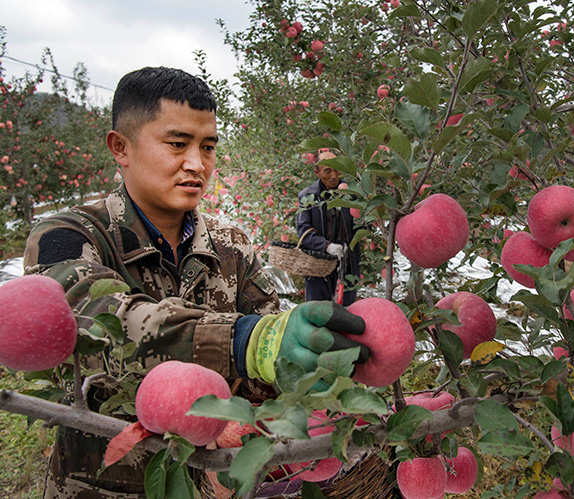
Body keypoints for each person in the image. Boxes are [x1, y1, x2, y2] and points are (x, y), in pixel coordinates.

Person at [22, 67, 368, 498]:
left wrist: (302, 368)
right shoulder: (68, 236)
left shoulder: (232, 246)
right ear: (121, 147)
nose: (196, 164)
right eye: (177, 144)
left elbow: (268, 352)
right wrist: (243, 343)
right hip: (104, 486)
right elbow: (87, 326)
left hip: (208, 484)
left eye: (207, 147)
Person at [296, 151, 361, 306]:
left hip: (347, 265)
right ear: (317, 172)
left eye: (337, 169)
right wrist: (326, 246)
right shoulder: (307, 196)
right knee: (317, 313)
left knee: (346, 313)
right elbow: (303, 231)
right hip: (318, 267)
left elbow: (361, 224)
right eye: (327, 171)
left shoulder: (351, 193)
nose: (333, 176)